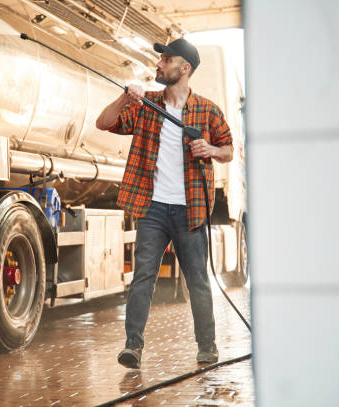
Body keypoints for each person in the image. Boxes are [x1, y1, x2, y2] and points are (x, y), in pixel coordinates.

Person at [96, 38, 233, 369]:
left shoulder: (208, 110)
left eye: (166, 59)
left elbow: (228, 148)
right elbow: (104, 122)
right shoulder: (146, 106)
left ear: (184, 68)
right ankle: (133, 347)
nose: (159, 64)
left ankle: (207, 347)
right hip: (152, 208)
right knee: (144, 275)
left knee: (197, 280)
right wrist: (124, 97)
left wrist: (211, 151)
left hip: (191, 209)